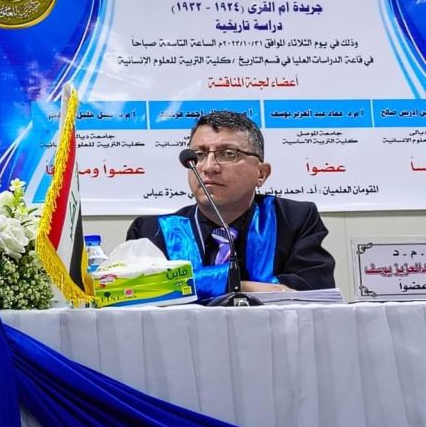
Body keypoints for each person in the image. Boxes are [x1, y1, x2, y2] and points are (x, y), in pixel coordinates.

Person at [126, 110, 335, 301]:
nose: (209, 167)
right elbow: (134, 293)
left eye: (228, 154)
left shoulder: (294, 220)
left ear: (261, 174)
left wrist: (191, 285)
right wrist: (238, 286)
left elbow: (314, 292)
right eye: (198, 155)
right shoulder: (151, 233)